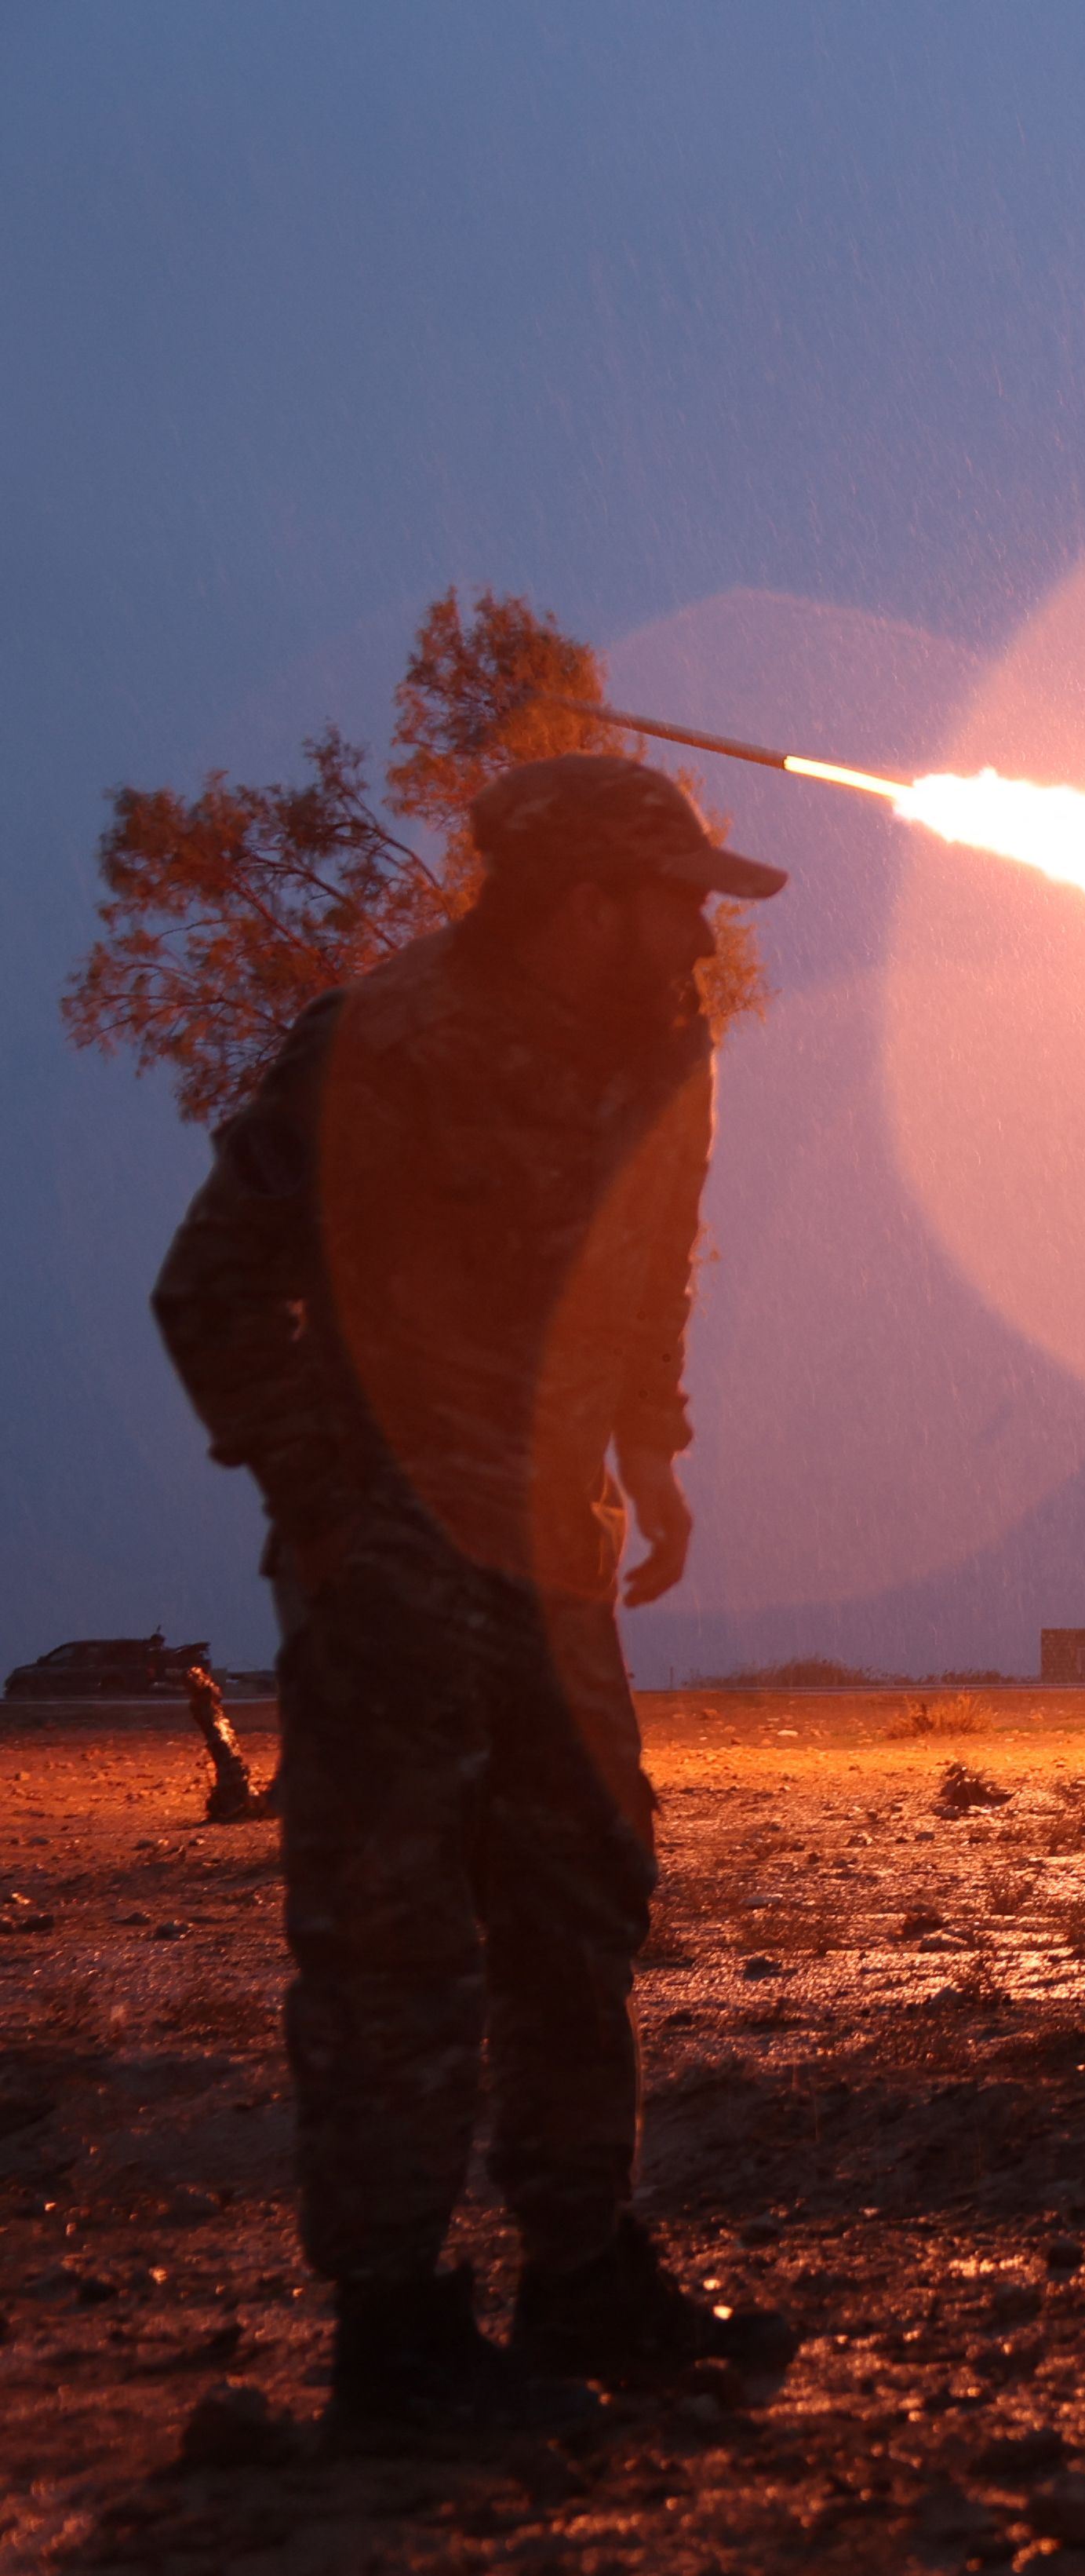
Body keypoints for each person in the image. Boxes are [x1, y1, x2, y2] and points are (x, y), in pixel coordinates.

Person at [151, 753, 792, 2446]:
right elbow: (209, 1291)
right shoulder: (384, 1043)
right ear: (585, 903)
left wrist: (649, 1450)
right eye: (676, 906)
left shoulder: (667, 1047)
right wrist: (334, 1497)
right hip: (390, 1561)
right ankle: (396, 2330)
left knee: (581, 1897)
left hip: (548, 1547)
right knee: (391, 1933)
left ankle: (580, 2269)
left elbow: (649, 1261)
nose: (701, 944)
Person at [181, 1656, 268, 1823]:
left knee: (232, 1765)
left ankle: (239, 1800)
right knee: (232, 1765)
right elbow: (215, 1696)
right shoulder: (202, 1700)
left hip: (221, 1736)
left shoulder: (200, 1701)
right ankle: (240, 1802)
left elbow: (216, 1697)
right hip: (220, 1737)